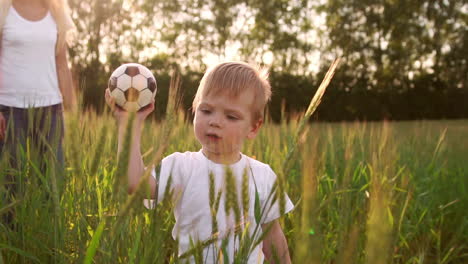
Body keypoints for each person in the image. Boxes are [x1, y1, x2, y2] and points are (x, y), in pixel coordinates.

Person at [106, 62, 294, 263]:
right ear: (194, 110)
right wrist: (128, 124)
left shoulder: (263, 176)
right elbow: (134, 184)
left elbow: (273, 238)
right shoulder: (181, 167)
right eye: (206, 111)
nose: (215, 121)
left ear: (253, 128)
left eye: (231, 116)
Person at [0, 0, 75, 218]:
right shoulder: (4, 9)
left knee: (52, 187)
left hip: (50, 111)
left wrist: (73, 111)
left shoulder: (58, 11)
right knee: (9, 189)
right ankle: (10, 247)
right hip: (9, 111)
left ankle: (48, 246)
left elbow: (62, 64)